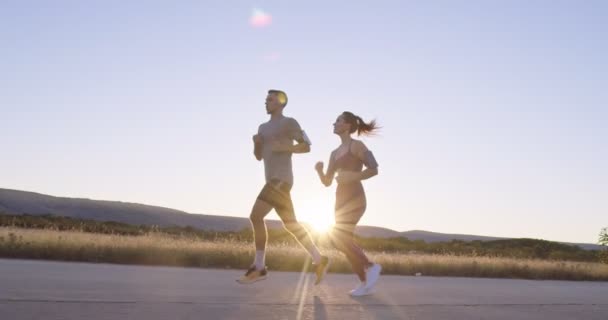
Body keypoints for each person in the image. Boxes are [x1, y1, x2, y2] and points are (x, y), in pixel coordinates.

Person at [237, 89, 330, 285]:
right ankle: (319, 259)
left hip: (281, 179)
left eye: (269, 100)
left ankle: (259, 266)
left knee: (255, 216)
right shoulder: (262, 127)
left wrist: (286, 147)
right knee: (291, 225)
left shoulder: (289, 123)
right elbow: (259, 156)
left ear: (280, 103)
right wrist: (256, 143)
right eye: (265, 100)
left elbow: (306, 145)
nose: (266, 103)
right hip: (271, 179)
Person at [315, 111, 382, 296]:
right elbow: (328, 182)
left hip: (355, 198)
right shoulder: (334, 153)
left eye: (338, 121)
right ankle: (364, 283)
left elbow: (374, 168)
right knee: (342, 242)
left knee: (341, 239)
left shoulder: (357, 145)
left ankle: (370, 266)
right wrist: (319, 171)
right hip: (340, 200)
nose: (334, 124)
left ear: (347, 126)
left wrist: (353, 176)